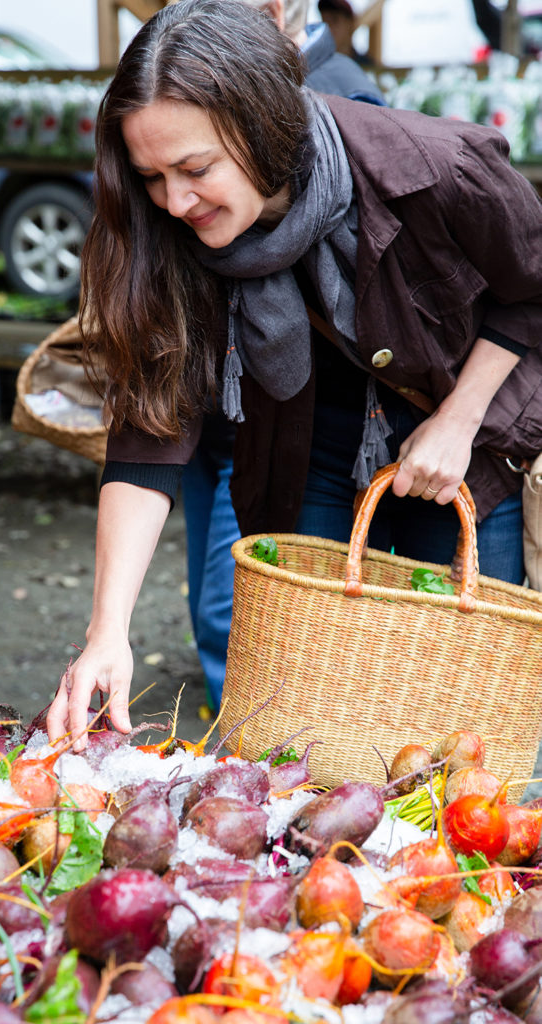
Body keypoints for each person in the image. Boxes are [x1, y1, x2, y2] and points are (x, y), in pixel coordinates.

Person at [46, 0, 542, 750]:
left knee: (459, 722)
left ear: (261, 125)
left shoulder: (439, 168)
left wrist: (458, 419)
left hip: (467, 447)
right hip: (301, 449)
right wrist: (105, 632)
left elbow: (531, 291)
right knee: (299, 720)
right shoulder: (161, 233)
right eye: (151, 176)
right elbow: (150, 430)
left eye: (195, 169)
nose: (175, 202)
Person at [182, 0, 384, 712]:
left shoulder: (345, 101)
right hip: (209, 403)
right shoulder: (196, 98)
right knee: (206, 592)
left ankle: (241, 733)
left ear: (269, 13)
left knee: (234, 602)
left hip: (275, 409)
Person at [317, 0, 373, 67]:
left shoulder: (368, 67)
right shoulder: (315, 65)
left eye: (334, 20)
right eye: (324, 22)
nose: (329, 28)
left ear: (350, 23)